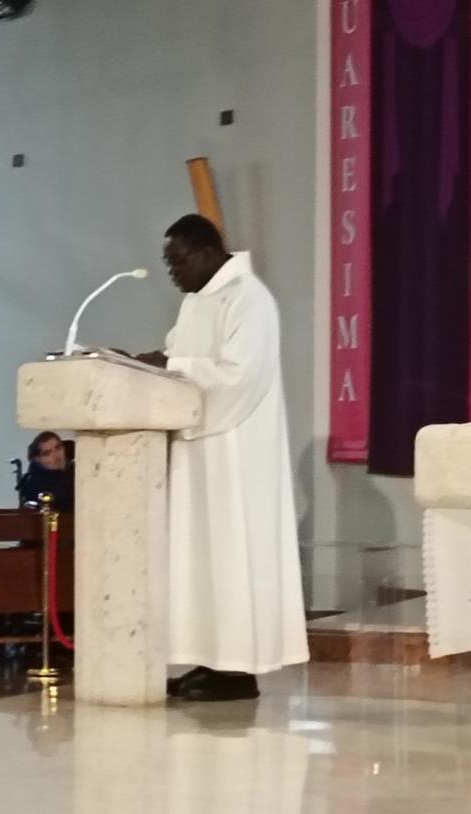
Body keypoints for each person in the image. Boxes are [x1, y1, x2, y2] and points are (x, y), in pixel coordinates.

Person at [137, 214, 309, 702]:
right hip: (198, 449)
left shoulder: (249, 298)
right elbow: (177, 355)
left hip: (235, 450)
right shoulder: (197, 302)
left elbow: (240, 376)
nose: (172, 271)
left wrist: (171, 364)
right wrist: (144, 362)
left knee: (231, 555)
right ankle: (211, 661)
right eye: (167, 263)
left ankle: (238, 671)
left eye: (177, 260)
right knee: (200, 558)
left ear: (207, 251)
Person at [18, 431, 75, 512]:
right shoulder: (34, 483)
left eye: (58, 448)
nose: (56, 455)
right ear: (37, 459)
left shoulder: (79, 470)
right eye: (47, 453)